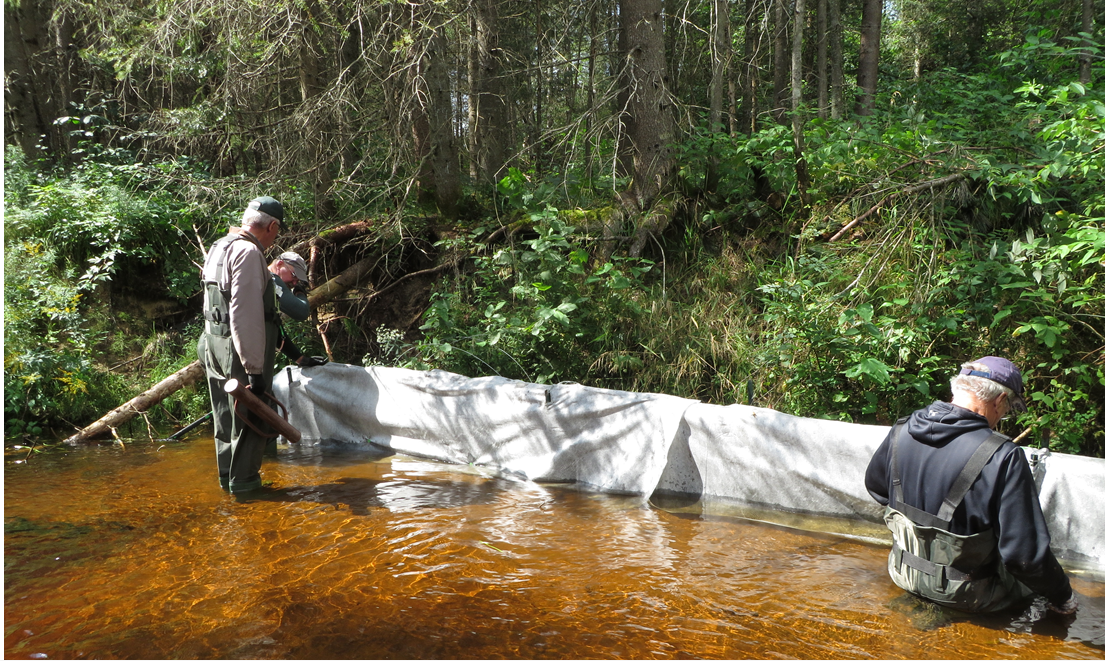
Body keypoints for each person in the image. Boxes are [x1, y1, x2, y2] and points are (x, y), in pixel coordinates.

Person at [864, 356, 1077, 615]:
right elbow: (1024, 557)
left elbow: (876, 488)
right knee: (1041, 599)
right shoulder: (1003, 455)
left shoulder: (901, 429)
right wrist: (1064, 597)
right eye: (1007, 407)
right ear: (999, 400)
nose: (1002, 416)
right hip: (970, 596)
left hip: (903, 573)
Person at [197, 196, 286, 494]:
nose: (276, 238)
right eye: (278, 232)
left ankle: (227, 481)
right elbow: (244, 313)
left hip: (211, 341)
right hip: (237, 347)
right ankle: (247, 489)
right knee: (249, 417)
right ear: (271, 226)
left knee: (224, 416)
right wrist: (255, 370)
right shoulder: (248, 252)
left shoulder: (219, 245)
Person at [267, 251, 326, 368]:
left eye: (298, 281)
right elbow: (302, 312)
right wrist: (300, 293)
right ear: (279, 264)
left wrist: (300, 359)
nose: (294, 282)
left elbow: (273, 325)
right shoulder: (271, 279)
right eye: (293, 275)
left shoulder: (264, 281)